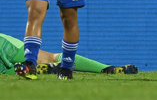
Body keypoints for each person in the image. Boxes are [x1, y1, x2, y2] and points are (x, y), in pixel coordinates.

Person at [0, 33, 137, 75]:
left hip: (5, 46)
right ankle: (108, 69)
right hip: (6, 45)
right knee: (50, 58)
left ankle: (47, 69)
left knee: (8, 73)